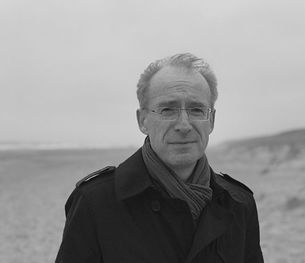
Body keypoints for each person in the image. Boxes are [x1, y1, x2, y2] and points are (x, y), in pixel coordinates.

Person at [55, 53, 264, 263]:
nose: (183, 125)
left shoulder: (238, 203)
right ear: (142, 120)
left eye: (196, 109)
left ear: (211, 120)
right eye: (167, 110)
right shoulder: (95, 203)